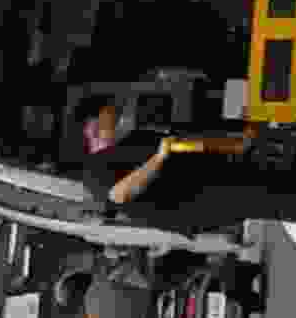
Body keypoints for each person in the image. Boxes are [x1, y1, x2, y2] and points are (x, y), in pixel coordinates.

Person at [70, 98, 273, 238]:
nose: (117, 114)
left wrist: (237, 143)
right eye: (109, 111)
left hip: (217, 179)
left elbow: (186, 145)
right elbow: (119, 194)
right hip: (198, 202)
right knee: (274, 195)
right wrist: (159, 158)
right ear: (91, 126)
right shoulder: (93, 170)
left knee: (273, 187)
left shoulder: (132, 139)